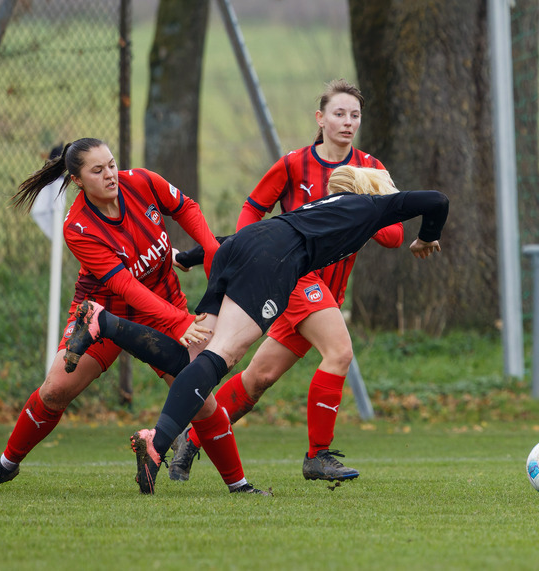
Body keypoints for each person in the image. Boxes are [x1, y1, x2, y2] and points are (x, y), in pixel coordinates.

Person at [65, 165, 448, 494]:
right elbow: (436, 201)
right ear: (377, 192)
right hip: (277, 262)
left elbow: (246, 236)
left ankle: (105, 323)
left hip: (249, 244)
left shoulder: (324, 206)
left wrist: (191, 256)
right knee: (222, 356)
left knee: (194, 357)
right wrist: (428, 236)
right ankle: (158, 440)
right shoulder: (371, 205)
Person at [0, 138, 268, 496]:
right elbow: (125, 287)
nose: (111, 174)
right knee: (55, 390)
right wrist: (179, 321)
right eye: (98, 170)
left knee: (200, 396)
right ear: (78, 180)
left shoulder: (141, 182)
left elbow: (186, 207)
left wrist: (213, 251)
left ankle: (240, 486)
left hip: (163, 306)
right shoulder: (78, 227)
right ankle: (4, 467)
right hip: (102, 314)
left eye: (111, 164)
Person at [168, 78, 403, 484]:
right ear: (321, 118)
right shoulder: (295, 164)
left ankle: (192, 436)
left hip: (325, 293)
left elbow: (395, 237)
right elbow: (251, 211)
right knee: (340, 352)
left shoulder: (371, 170)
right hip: (296, 279)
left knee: (259, 378)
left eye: (355, 116)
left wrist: (369, 211)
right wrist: (251, 255)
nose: (348, 122)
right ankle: (318, 456)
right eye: (339, 114)